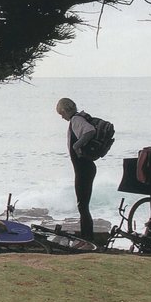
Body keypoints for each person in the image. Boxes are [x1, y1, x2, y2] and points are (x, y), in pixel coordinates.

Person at [56, 97, 97, 240]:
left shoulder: (76, 120)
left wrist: (76, 146)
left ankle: (88, 238)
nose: (62, 117)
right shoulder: (76, 120)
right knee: (83, 205)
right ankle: (87, 237)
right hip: (84, 168)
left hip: (84, 169)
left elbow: (90, 131)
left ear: (66, 110)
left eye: (61, 114)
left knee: (82, 205)